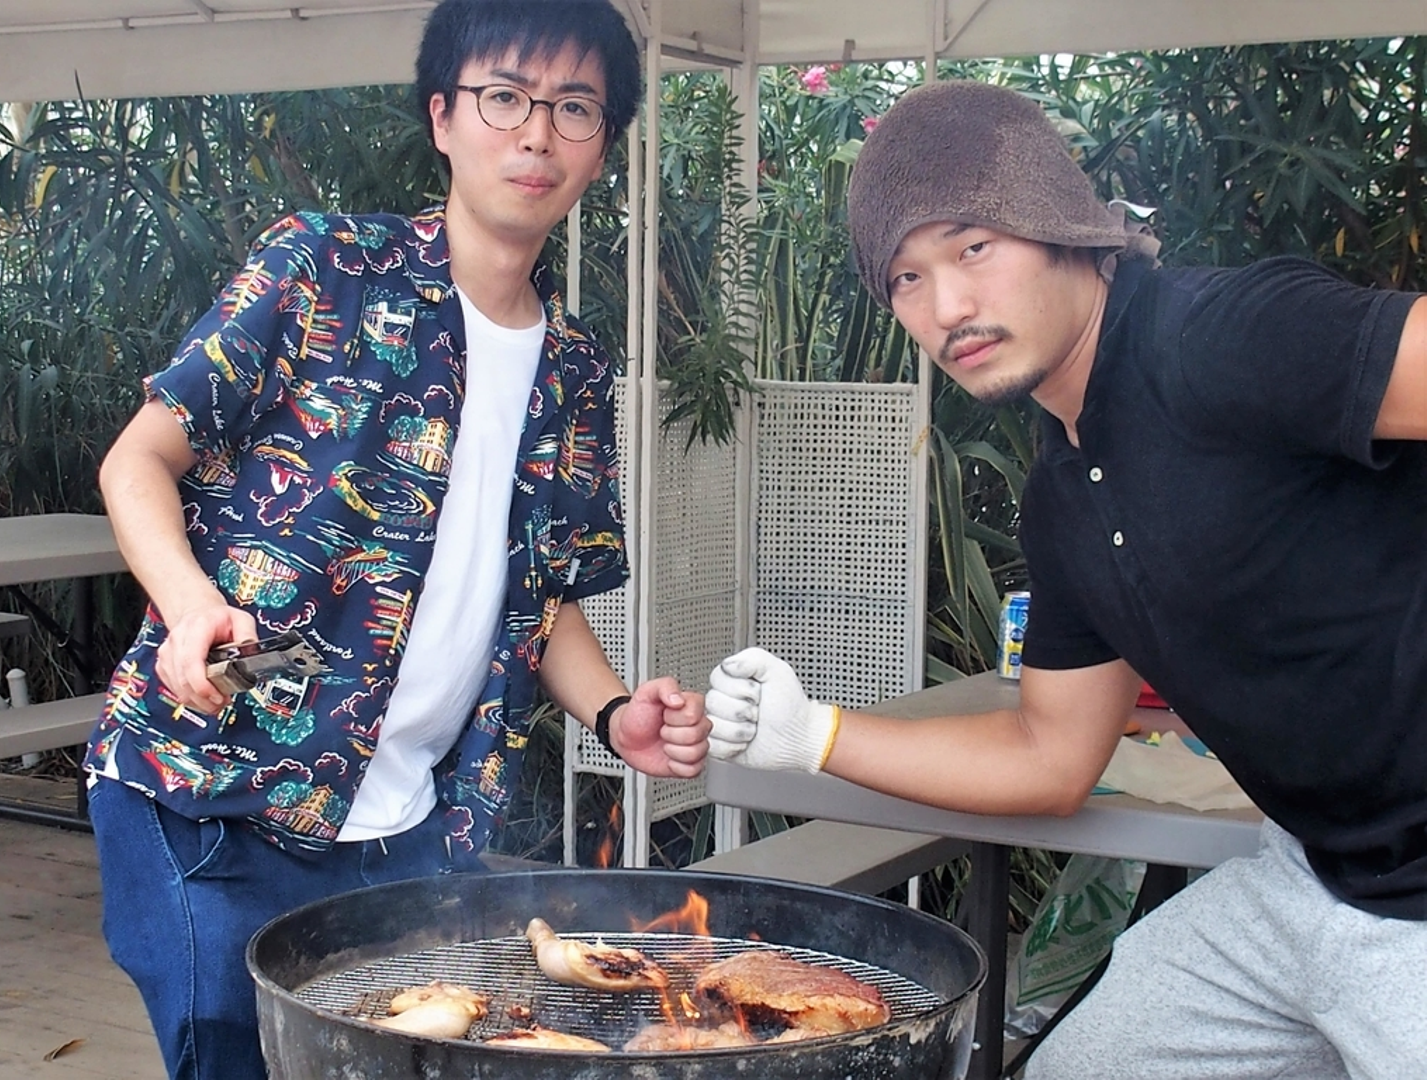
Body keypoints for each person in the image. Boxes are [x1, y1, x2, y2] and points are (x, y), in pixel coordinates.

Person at [705, 79, 1427, 1078]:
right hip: (1307, 879)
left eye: (973, 247)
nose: (948, 307)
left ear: (1065, 229)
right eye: (907, 278)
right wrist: (813, 734)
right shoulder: (1064, 496)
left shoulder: (1223, 332)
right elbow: (1050, 756)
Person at [85, 2, 710, 1076]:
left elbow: (541, 596)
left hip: (415, 828)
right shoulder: (322, 268)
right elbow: (137, 458)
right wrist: (192, 608)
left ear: (602, 147)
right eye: (505, 97)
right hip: (213, 789)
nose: (536, 133)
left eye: (574, 108)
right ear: (443, 117)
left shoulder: (576, 371)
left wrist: (614, 712)